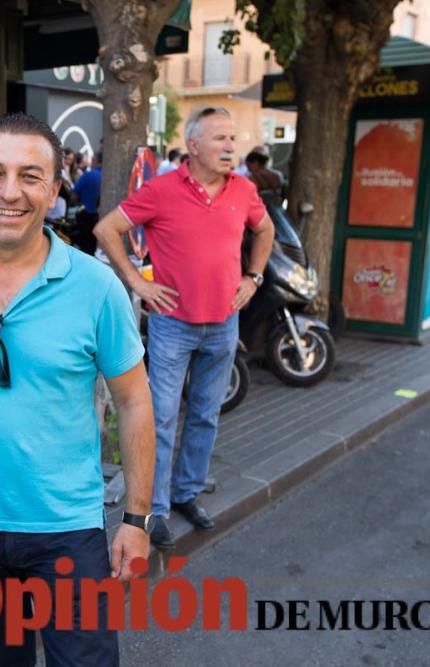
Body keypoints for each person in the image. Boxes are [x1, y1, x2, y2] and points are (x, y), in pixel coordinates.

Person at [0, 113, 155, 667]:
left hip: (68, 531)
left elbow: (135, 400)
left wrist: (137, 521)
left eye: (30, 175)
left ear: (53, 189)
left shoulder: (95, 287)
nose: (10, 192)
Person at [94, 106, 274, 549]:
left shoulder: (244, 190)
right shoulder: (161, 190)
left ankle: (186, 493)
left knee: (206, 416)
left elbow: (265, 230)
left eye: (232, 139)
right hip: (173, 325)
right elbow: (106, 228)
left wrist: (254, 277)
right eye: (220, 139)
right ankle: (153, 508)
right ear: (193, 146)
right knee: (161, 418)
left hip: (224, 324)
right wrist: (137, 282)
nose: (231, 146)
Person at [71, 151, 103, 255]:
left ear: (97, 162)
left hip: (87, 217)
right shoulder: (112, 177)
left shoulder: (88, 175)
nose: (91, 162)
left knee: (86, 249)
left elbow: (73, 196)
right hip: (103, 219)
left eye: (92, 159)